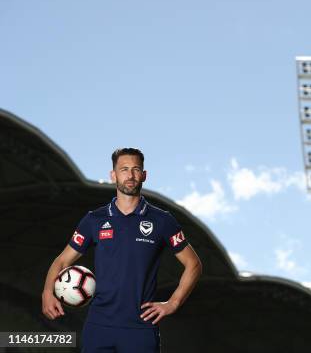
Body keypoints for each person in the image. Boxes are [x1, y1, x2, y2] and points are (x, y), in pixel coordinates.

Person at [41, 148, 202, 352]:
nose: (130, 175)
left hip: (141, 328)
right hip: (99, 326)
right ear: (113, 175)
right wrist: (48, 291)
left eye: (136, 169)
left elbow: (193, 263)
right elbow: (62, 261)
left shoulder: (162, 221)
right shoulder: (94, 220)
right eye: (124, 169)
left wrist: (173, 303)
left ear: (144, 175)